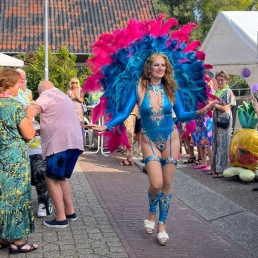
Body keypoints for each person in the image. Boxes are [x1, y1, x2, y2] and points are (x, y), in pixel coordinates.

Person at [89, 53, 217, 245]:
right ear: (148, 68)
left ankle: (162, 224)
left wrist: (200, 111)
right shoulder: (139, 87)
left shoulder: (171, 88)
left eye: (163, 65)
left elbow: (181, 114)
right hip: (149, 139)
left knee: (167, 184)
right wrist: (107, 126)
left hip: (171, 138)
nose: (160, 68)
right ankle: (151, 213)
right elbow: (124, 112)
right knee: (156, 184)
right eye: (156, 65)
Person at [32, 80, 84, 228]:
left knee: (51, 179)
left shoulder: (47, 94)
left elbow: (33, 110)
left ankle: (60, 219)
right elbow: (58, 120)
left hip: (59, 144)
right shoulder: (63, 96)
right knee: (61, 178)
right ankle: (70, 212)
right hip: (74, 143)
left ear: (41, 91)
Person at [0, 68, 38, 254]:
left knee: (2, 198)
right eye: (17, 84)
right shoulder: (14, 106)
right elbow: (29, 134)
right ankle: (18, 242)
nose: (19, 87)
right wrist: (29, 117)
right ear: (9, 85)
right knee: (16, 198)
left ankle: (1, 238)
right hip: (14, 161)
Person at [211, 70, 236, 178]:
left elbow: (225, 108)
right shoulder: (217, 92)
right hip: (216, 119)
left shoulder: (228, 91)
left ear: (226, 80)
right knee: (216, 144)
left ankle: (221, 169)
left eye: (222, 80)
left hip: (224, 120)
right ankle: (215, 168)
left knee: (223, 144)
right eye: (218, 79)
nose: (220, 82)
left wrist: (213, 104)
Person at [28, 122, 53, 217]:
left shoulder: (42, 124)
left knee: (39, 169)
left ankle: (42, 202)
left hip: (39, 154)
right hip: (20, 153)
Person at [67, 78, 85, 143]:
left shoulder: (81, 90)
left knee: (80, 124)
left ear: (78, 83)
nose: (74, 84)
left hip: (79, 110)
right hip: (71, 109)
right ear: (71, 83)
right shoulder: (69, 90)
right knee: (71, 125)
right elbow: (66, 100)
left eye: (76, 82)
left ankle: (80, 140)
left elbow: (82, 100)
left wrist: (77, 96)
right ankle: (72, 140)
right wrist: (70, 98)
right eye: (73, 82)